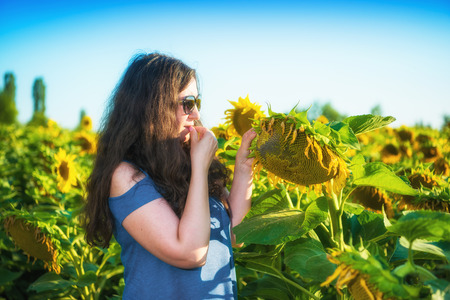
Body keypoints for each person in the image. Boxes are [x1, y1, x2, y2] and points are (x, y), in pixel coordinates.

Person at [83, 52, 256, 299]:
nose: (195, 114)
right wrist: (199, 168)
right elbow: (190, 253)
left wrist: (243, 167)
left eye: (197, 102)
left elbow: (238, 234)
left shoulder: (185, 162)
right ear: (153, 107)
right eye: (187, 103)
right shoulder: (125, 176)